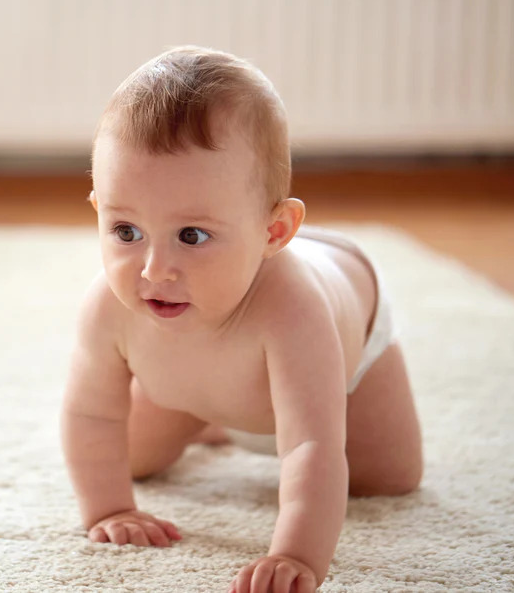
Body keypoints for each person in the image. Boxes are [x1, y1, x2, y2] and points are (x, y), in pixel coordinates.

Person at [60, 46, 423, 593]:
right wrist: (109, 510)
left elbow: (311, 447)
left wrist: (296, 554)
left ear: (274, 232)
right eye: (126, 232)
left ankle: (220, 408)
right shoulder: (109, 307)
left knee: (389, 476)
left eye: (192, 236)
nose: (155, 271)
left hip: (350, 335)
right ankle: (209, 415)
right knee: (130, 458)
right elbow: (90, 416)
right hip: (202, 376)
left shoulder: (295, 311)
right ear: (98, 210)